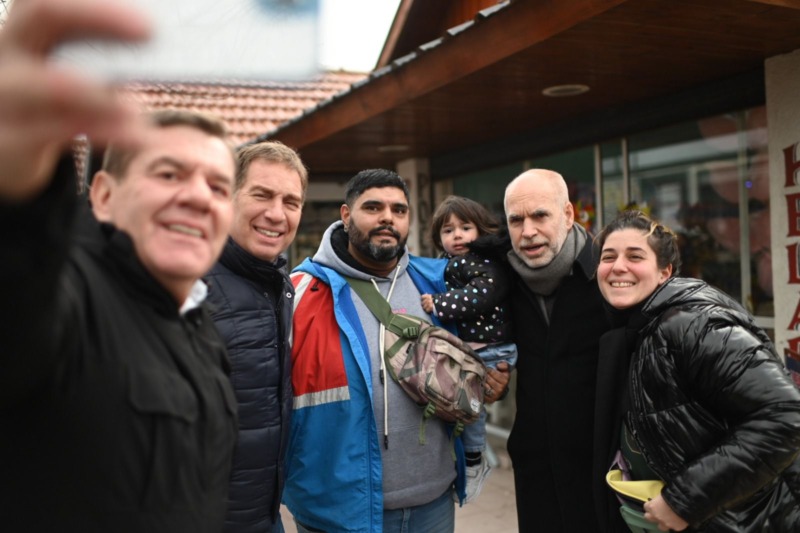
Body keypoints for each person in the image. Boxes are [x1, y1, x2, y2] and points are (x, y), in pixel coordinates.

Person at [0, 2, 239, 531]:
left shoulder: (201, 327)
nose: (199, 197)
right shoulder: (66, 301)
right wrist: (14, 196)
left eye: (219, 186)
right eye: (170, 173)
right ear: (103, 196)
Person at [284, 169, 508, 532]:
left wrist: (490, 381)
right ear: (345, 215)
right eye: (373, 207)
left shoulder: (437, 280)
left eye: (399, 210)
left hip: (433, 504)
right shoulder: (300, 292)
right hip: (336, 511)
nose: (387, 217)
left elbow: (475, 352)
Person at [594, 210, 800, 532]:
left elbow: (786, 415)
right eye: (608, 257)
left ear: (665, 272)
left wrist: (683, 500)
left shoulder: (692, 324)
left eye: (635, 256)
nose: (618, 266)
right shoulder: (640, 327)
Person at [501, 169, 614, 532]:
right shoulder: (502, 284)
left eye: (540, 215)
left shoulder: (610, 276)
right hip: (536, 473)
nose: (527, 231)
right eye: (516, 220)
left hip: (606, 473)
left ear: (568, 214)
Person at [205, 141, 307, 533]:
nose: (276, 214)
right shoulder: (185, 286)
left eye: (291, 201)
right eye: (261, 195)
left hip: (263, 515)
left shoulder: (276, 284)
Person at [420, 195, 517, 503]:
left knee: (470, 407)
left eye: (465, 227)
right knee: (461, 406)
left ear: (481, 231)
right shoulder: (452, 264)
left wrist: (439, 304)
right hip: (479, 350)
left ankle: (474, 461)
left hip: (490, 351)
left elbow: (481, 295)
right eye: (448, 231)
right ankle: (465, 458)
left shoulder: (480, 262)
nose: (457, 235)